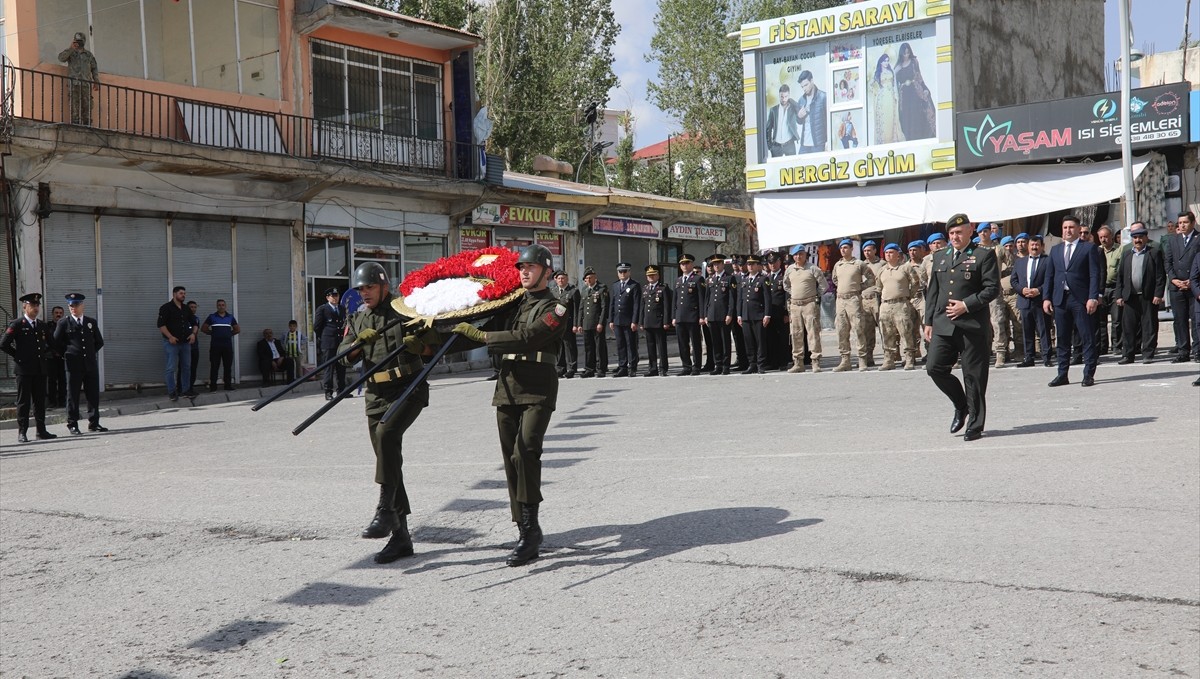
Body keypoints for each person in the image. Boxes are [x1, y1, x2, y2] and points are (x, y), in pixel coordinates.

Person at [448, 245, 569, 567]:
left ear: (546, 271)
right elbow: (476, 332)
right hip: (507, 386)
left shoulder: (557, 308)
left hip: (537, 387)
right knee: (510, 459)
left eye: (530, 267)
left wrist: (484, 339)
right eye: (521, 267)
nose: (524, 272)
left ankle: (531, 529)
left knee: (525, 449)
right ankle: (523, 526)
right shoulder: (511, 304)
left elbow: (529, 337)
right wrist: (431, 343)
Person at [338, 261, 433, 564]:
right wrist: (356, 343)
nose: (364, 293)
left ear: (384, 286)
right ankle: (401, 537)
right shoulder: (356, 319)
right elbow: (343, 359)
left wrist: (419, 345)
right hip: (375, 395)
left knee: (387, 433)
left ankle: (385, 510)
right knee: (387, 458)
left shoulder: (405, 311)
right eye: (361, 288)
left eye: (369, 287)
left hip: (409, 388)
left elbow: (435, 344)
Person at [924, 213, 1000, 442]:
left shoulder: (983, 255)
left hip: (972, 325)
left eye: (959, 232)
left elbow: (992, 289)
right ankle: (961, 405)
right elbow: (933, 292)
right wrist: (928, 322)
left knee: (973, 377)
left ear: (970, 231)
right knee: (934, 367)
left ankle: (975, 425)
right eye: (952, 233)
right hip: (943, 324)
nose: (955, 237)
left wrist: (966, 305)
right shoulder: (940, 257)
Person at [1043, 215, 1105, 387]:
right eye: (1065, 228)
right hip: (1061, 299)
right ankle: (1062, 374)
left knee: (1087, 337)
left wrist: (1093, 297)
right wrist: (1046, 298)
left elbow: (1094, 274)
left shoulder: (1088, 248)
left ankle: (1088, 374)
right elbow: (1049, 275)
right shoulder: (1055, 250)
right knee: (1062, 338)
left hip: (1081, 299)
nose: (1068, 231)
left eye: (1071, 227)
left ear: (1078, 230)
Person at [2, 294, 58, 442]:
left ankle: (41, 431)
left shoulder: (41, 325)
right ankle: (22, 432)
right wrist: (18, 356)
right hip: (24, 370)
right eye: (32, 305)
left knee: (39, 401)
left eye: (37, 305)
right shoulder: (17, 324)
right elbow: (3, 344)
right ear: (24, 307)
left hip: (40, 369)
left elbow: (53, 344)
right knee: (23, 402)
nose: (35, 308)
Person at [53, 293, 107, 435]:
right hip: (73, 365)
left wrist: (89, 353)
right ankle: (72, 424)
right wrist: (68, 353)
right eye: (71, 306)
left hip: (89, 363)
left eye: (76, 305)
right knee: (73, 395)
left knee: (92, 394)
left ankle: (94, 422)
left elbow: (99, 342)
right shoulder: (63, 323)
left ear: (82, 305)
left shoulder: (90, 322)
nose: (73, 308)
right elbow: (56, 343)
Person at [1114, 224, 1166, 364]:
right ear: (1132, 239)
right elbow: (1121, 277)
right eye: (1135, 237)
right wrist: (1119, 295)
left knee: (1149, 325)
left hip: (1148, 296)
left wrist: (1158, 294)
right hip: (1130, 297)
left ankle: (1148, 354)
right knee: (1128, 327)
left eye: (1140, 237)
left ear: (1146, 238)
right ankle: (1128, 355)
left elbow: (1160, 276)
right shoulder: (1126, 254)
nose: (1138, 240)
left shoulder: (1154, 253)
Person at [876, 243, 921, 370]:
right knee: (887, 333)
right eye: (886, 253)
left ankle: (909, 359)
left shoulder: (905, 268)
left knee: (906, 332)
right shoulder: (882, 270)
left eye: (891, 252)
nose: (888, 255)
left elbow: (915, 283)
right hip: (886, 305)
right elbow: (879, 287)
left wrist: (908, 296)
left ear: (898, 254)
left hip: (901, 304)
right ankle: (889, 359)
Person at [832, 239, 875, 372]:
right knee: (841, 330)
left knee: (858, 329)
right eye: (841, 248)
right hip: (840, 300)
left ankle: (862, 359)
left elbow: (871, 278)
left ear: (851, 249)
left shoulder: (858, 264)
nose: (843, 250)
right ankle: (845, 360)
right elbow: (835, 280)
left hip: (853, 299)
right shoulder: (837, 265)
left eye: (846, 248)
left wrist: (859, 287)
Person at [1011, 234, 1053, 367]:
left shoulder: (1047, 261)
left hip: (1040, 301)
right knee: (1026, 330)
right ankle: (1029, 357)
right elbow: (1014, 280)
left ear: (1042, 246)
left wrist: (1039, 290)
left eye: (1037, 245)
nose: (1034, 247)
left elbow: (1050, 280)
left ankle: (1047, 357)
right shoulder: (1020, 262)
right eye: (1032, 245)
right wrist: (1022, 290)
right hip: (1024, 301)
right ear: (1028, 246)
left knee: (1044, 330)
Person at [784, 245, 826, 373]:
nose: (798, 257)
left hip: (809, 305)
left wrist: (815, 295)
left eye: (801, 254)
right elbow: (786, 285)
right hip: (795, 305)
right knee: (796, 334)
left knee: (813, 333)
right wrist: (795, 294)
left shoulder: (813, 268)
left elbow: (824, 285)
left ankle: (815, 361)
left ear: (805, 255)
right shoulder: (790, 269)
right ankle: (798, 363)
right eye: (796, 255)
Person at [1165, 211, 1200, 363]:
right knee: (1180, 320)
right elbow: (1168, 262)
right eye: (1180, 223)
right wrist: (1174, 279)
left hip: (1193, 286)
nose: (1182, 225)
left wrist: (1192, 281)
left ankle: (1198, 351)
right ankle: (1183, 351)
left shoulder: (1199, 239)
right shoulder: (1173, 240)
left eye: (1185, 222)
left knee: (1196, 319)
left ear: (1192, 223)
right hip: (1177, 286)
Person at [157, 286, 197, 401]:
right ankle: (172, 392)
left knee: (186, 367)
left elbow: (194, 322)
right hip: (171, 343)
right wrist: (170, 337)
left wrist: (193, 334)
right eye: (181, 293)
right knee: (171, 368)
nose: (183, 295)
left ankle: (186, 390)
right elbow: (161, 325)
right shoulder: (166, 308)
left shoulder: (186, 308)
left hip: (185, 342)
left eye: (184, 293)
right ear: (174, 294)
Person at [702, 254, 737, 374]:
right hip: (712, 315)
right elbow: (707, 299)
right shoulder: (710, 279)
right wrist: (706, 315)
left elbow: (732, 298)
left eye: (718, 264)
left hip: (724, 315)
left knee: (725, 341)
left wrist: (730, 313)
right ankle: (718, 365)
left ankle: (726, 365)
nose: (716, 266)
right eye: (714, 264)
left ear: (722, 264)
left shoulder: (729, 278)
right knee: (715, 341)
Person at [736, 254, 771, 374]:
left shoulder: (762, 279)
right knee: (748, 341)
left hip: (758, 314)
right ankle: (752, 364)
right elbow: (740, 299)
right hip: (746, 315)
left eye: (753, 264)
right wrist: (739, 314)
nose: (750, 266)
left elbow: (767, 298)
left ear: (758, 266)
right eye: (748, 264)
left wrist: (767, 314)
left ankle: (761, 364)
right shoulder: (744, 279)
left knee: (760, 341)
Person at [895, 42, 936, 141]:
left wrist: (925, 89)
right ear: (901, 54)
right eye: (904, 53)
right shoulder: (898, 66)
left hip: (914, 92)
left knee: (917, 115)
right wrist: (897, 70)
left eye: (908, 53)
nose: (906, 55)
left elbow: (919, 77)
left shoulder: (914, 62)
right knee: (907, 118)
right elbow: (895, 83)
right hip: (904, 96)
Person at [673, 254, 705, 375]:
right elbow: (675, 301)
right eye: (682, 264)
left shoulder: (697, 279)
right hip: (680, 317)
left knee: (695, 343)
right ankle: (686, 366)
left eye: (687, 263)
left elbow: (701, 299)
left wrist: (702, 316)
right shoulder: (678, 280)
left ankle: (696, 366)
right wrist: (673, 316)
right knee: (682, 343)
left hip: (693, 316)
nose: (685, 265)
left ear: (691, 264)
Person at [57, 32, 99, 126]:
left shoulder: (88, 55)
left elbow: (94, 68)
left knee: (87, 103)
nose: (79, 43)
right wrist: (71, 48)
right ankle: (75, 121)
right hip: (74, 82)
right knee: (74, 102)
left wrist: (96, 81)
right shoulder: (71, 52)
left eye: (80, 41)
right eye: (77, 41)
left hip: (85, 83)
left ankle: (87, 122)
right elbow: (61, 58)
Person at [609, 262, 642, 378]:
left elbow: (637, 305)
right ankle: (622, 366)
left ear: (629, 272)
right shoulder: (615, 285)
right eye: (620, 272)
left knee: (631, 344)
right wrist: (611, 320)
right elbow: (612, 304)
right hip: (617, 320)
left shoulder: (634, 285)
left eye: (624, 271)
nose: (622, 274)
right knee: (620, 344)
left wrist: (635, 321)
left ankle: (632, 367)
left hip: (629, 321)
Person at [314, 287, 347, 400]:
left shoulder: (342, 308)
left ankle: (342, 391)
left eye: (336, 295)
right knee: (329, 368)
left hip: (340, 342)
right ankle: (328, 392)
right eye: (333, 296)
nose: (335, 297)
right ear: (328, 297)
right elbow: (316, 327)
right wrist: (323, 338)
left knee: (341, 367)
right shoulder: (323, 309)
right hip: (328, 343)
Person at [640, 264, 673, 377]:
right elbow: (642, 307)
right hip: (648, 322)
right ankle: (652, 368)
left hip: (659, 322)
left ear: (658, 275)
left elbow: (666, 306)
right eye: (649, 275)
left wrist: (666, 322)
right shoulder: (645, 289)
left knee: (661, 346)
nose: (651, 277)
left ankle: (663, 368)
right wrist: (641, 322)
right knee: (650, 346)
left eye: (653, 275)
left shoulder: (663, 288)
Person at [576, 267, 609, 378]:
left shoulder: (601, 289)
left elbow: (604, 307)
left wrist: (601, 322)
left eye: (591, 277)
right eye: (587, 278)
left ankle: (601, 368)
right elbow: (581, 308)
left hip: (597, 323)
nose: (589, 280)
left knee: (600, 346)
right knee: (588, 347)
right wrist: (579, 323)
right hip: (586, 323)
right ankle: (589, 368)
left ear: (595, 277)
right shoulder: (585, 290)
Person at [201, 299, 239, 391]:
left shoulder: (230, 317)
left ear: (225, 306)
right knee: (214, 366)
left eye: (222, 305)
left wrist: (229, 334)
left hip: (227, 346)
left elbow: (237, 329)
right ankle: (213, 387)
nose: (221, 306)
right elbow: (203, 328)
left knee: (227, 366)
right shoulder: (212, 317)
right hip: (215, 346)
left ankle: (228, 385)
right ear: (216, 306)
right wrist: (213, 333)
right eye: (219, 305)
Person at [1097, 225, 1124, 356]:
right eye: (1101, 237)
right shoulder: (1096, 251)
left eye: (1106, 236)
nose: (1103, 239)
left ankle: (1117, 345)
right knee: (1101, 320)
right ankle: (1102, 347)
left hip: (1115, 288)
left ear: (1111, 236)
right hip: (1101, 289)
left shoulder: (1120, 250)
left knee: (1116, 319)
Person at [552, 271, 580, 379]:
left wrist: (575, 324)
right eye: (559, 279)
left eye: (563, 278)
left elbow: (576, 310)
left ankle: (572, 368)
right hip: (557, 324)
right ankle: (560, 368)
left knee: (569, 346)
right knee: (559, 347)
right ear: (556, 280)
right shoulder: (554, 292)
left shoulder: (573, 291)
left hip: (568, 323)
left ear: (567, 279)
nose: (561, 280)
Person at [860, 240, 884, 366]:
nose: (867, 253)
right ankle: (868, 357)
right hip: (864, 300)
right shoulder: (861, 264)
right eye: (865, 251)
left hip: (878, 299)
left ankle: (889, 356)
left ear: (875, 250)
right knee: (867, 330)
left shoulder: (882, 264)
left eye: (869, 250)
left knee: (884, 329)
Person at [871, 52, 901, 144]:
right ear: (881, 62)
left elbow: (894, 84)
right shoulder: (877, 73)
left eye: (887, 61)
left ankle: (892, 139)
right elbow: (871, 84)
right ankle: (884, 140)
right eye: (884, 61)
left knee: (891, 117)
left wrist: (896, 95)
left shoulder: (891, 71)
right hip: (882, 99)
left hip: (891, 97)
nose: (886, 63)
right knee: (884, 119)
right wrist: (876, 90)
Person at [907, 240, 930, 361]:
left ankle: (929, 351)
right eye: (910, 250)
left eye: (915, 250)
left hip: (923, 297)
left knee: (926, 324)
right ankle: (914, 351)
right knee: (910, 326)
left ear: (921, 250)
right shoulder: (905, 266)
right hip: (910, 298)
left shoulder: (925, 263)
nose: (912, 253)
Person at [794, 70, 828, 153]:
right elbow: (799, 122)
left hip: (819, 144)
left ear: (812, 81)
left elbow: (829, 121)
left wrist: (828, 141)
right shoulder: (801, 100)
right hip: (804, 145)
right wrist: (799, 116)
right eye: (802, 87)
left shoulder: (823, 97)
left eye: (806, 85)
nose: (804, 88)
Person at [764, 84, 800, 157]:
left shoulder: (793, 109)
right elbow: (768, 129)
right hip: (776, 146)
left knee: (792, 166)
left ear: (789, 96)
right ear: (779, 96)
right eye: (782, 97)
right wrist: (769, 146)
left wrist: (792, 101)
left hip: (790, 145)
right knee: (776, 167)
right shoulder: (773, 110)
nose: (784, 99)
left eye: (786, 97)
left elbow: (801, 116)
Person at [46, 305, 67, 408]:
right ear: (52, 314)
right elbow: (46, 342)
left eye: (60, 313)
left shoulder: (66, 326)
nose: (58, 314)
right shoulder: (47, 326)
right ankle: (52, 402)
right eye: (56, 313)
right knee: (52, 381)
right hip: (51, 357)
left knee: (63, 380)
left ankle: (62, 401)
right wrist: (52, 351)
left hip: (63, 357)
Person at [181, 300, 201, 393]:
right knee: (183, 367)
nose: (193, 309)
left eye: (194, 307)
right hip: (184, 347)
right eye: (191, 307)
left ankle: (190, 388)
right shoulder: (183, 319)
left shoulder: (196, 319)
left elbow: (196, 331)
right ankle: (181, 388)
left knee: (193, 368)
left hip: (194, 347)